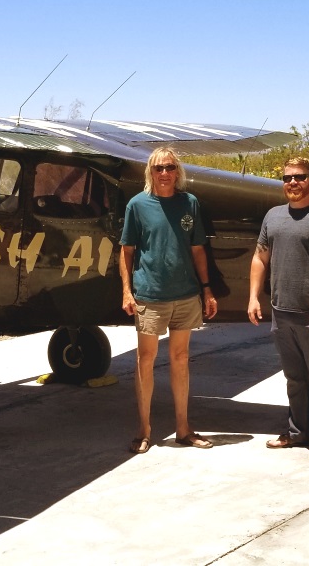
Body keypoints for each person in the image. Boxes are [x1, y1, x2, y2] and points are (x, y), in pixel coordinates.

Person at [247, 157, 309, 462]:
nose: (293, 183)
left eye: (300, 177)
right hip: (281, 312)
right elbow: (260, 258)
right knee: (294, 378)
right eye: (288, 178)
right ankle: (296, 432)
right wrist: (253, 297)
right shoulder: (273, 216)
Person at [120, 147, 218, 454]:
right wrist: (126, 290)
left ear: (178, 171)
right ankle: (144, 429)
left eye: (170, 168)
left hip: (186, 294)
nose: (165, 173)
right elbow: (126, 250)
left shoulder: (189, 203)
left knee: (180, 359)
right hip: (149, 294)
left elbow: (198, 249)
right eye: (159, 168)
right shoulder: (137, 205)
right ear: (150, 171)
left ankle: (183, 429)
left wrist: (206, 289)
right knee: (145, 360)